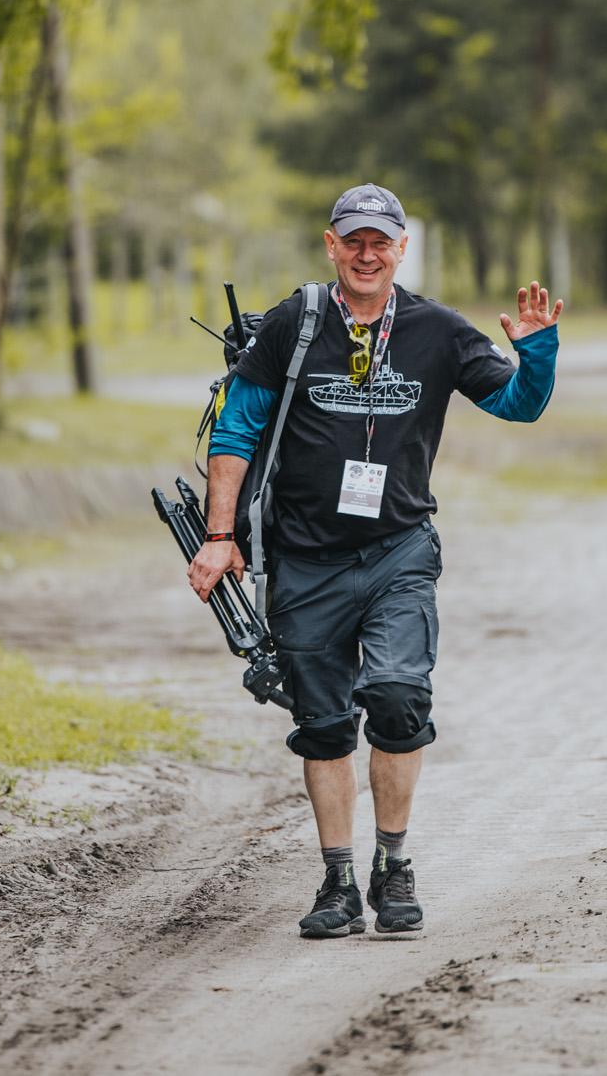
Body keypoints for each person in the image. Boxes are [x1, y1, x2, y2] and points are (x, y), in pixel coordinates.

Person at [187, 183, 560, 938]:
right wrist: (220, 536)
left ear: (400, 248)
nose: (366, 253)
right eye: (352, 239)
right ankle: (337, 881)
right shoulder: (294, 325)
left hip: (398, 551)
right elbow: (234, 434)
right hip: (305, 558)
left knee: (395, 696)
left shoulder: (436, 332)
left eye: (379, 240)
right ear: (330, 243)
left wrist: (537, 352)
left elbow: (520, 404)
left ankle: (394, 866)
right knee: (324, 724)